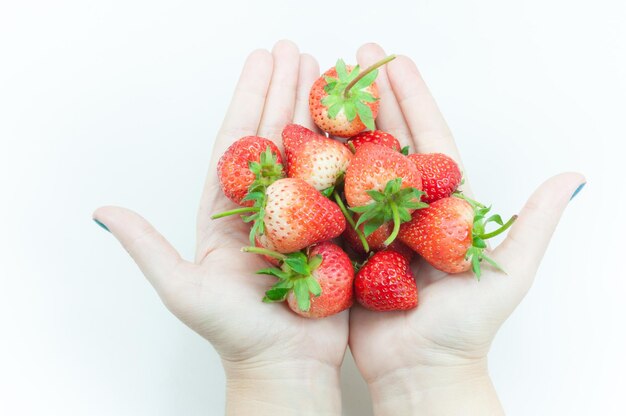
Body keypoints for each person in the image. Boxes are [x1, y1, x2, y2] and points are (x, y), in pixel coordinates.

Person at [92, 40, 585, 415]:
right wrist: (441, 379)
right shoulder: (327, 194)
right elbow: (334, 210)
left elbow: (355, 206)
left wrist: (270, 378)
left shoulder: (356, 193)